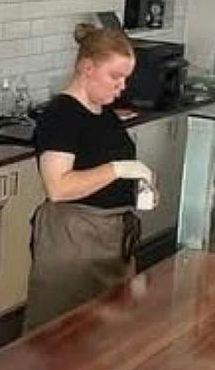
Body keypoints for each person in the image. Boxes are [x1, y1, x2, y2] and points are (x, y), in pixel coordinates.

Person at [23, 23, 152, 332]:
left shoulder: (103, 111)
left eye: (126, 78)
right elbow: (58, 187)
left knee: (104, 332)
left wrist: (137, 188)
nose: (121, 87)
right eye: (115, 77)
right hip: (74, 239)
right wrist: (118, 170)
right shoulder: (61, 116)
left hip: (110, 238)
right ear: (86, 67)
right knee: (63, 332)